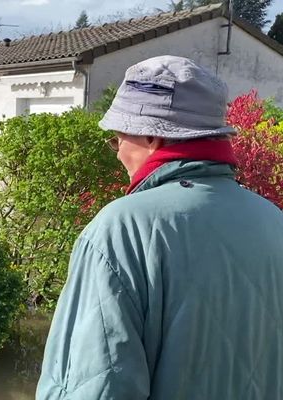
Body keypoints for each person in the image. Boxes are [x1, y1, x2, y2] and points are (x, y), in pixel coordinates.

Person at [36, 55, 283, 399]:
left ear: (152, 136)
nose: (118, 152)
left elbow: (97, 385)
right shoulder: (273, 219)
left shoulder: (121, 230)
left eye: (118, 138)